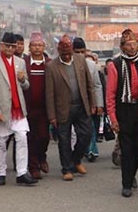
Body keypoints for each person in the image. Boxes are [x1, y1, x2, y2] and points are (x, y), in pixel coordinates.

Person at [106, 29, 138, 197]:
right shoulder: (115, 65)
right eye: (129, 44)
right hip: (124, 108)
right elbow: (111, 95)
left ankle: (132, 173)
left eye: (135, 43)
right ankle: (126, 183)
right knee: (127, 149)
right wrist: (113, 118)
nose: (133, 47)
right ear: (122, 47)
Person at [0, 33, 36, 187]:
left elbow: (26, 86)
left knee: (22, 138)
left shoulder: (20, 62)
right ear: (1, 45)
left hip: (18, 109)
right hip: (2, 109)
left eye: (13, 46)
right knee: (1, 142)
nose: (10, 49)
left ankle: (21, 172)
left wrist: (22, 80)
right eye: (7, 46)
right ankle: (1, 172)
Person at [45, 35, 97, 181]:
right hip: (62, 109)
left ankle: (76, 159)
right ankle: (66, 168)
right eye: (64, 52)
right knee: (64, 140)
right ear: (59, 50)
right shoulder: (51, 67)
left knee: (86, 135)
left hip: (81, 105)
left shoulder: (81, 60)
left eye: (69, 51)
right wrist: (52, 116)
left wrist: (93, 104)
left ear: (73, 49)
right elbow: (49, 94)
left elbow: (89, 84)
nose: (67, 55)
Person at [24, 32, 51, 180]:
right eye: (34, 45)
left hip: (45, 108)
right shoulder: (24, 63)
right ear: (30, 47)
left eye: (40, 45)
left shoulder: (50, 63)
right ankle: (33, 167)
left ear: (44, 47)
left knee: (44, 136)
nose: (37, 48)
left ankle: (42, 156)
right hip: (28, 108)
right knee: (30, 138)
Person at [72, 37, 103, 161]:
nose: (80, 55)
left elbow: (97, 85)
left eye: (82, 52)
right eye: (77, 52)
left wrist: (99, 104)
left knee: (90, 129)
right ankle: (76, 154)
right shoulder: (68, 65)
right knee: (75, 132)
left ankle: (91, 150)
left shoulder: (91, 65)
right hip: (72, 104)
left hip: (89, 104)